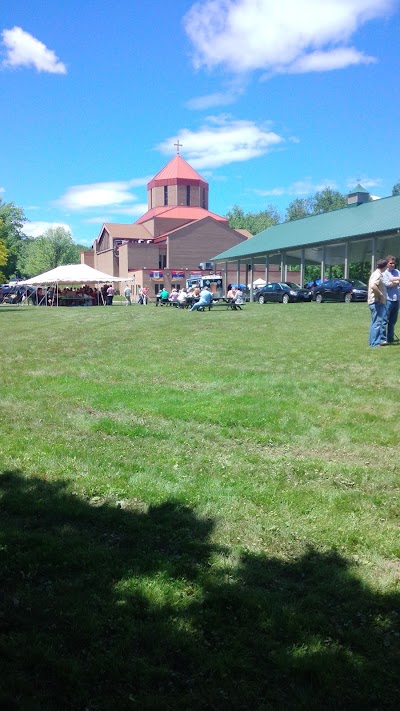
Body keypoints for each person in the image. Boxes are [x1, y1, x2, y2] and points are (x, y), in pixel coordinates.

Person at [368, 259, 388, 347]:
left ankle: (372, 342)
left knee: (374, 322)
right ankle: (375, 343)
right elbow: (373, 285)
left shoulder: (377, 274)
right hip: (376, 302)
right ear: (384, 266)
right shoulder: (377, 275)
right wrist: (380, 294)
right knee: (377, 323)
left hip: (375, 301)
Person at [381, 256, 400, 344]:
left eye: (393, 263)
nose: (392, 265)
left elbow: (393, 281)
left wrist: (394, 281)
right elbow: (387, 284)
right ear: (387, 264)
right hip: (388, 299)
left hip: (396, 299)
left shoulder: (397, 272)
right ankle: (383, 339)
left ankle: (390, 338)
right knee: (384, 320)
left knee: (393, 321)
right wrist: (396, 282)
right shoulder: (385, 273)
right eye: (390, 263)